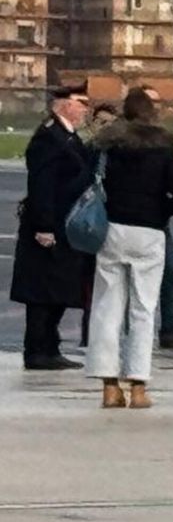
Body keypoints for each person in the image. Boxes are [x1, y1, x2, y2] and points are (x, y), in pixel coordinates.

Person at [84, 87, 173, 409]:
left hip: (112, 229)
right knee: (143, 310)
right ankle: (138, 387)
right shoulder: (163, 146)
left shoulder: (108, 145)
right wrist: (162, 211)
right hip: (149, 231)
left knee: (107, 306)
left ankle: (108, 385)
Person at [10, 85, 96, 371]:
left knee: (58, 289)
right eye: (79, 103)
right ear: (63, 105)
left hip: (65, 223)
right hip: (49, 225)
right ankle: (37, 350)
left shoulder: (67, 136)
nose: (85, 109)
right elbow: (42, 185)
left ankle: (50, 346)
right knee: (42, 291)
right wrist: (44, 226)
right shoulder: (49, 138)